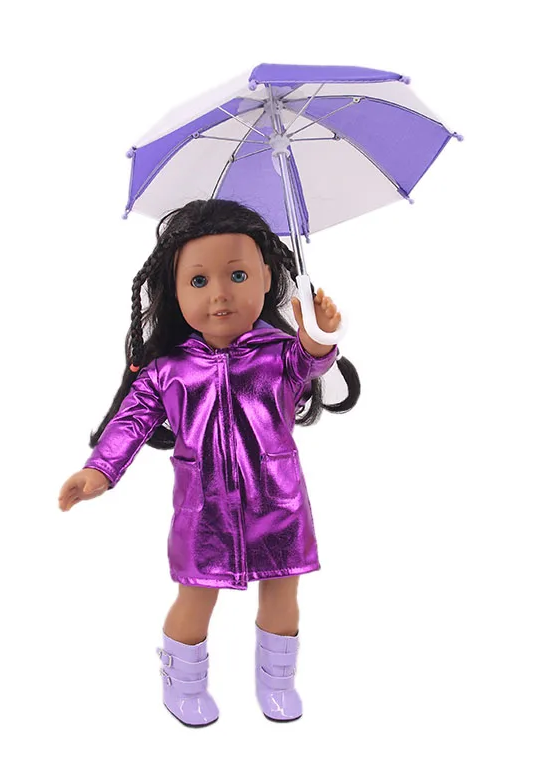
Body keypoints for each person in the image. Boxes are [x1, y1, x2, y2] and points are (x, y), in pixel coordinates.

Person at [58, 198, 361, 727]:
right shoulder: (168, 370)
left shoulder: (278, 355)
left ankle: (277, 683)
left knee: (283, 591)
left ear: (267, 278)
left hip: (278, 500)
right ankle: (183, 683)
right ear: (174, 292)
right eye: (198, 281)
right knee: (196, 596)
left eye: (238, 275)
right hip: (204, 509)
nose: (220, 293)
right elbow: (131, 420)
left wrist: (317, 332)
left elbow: (311, 359)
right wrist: (99, 470)